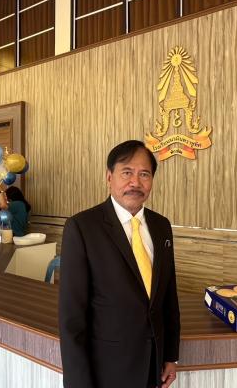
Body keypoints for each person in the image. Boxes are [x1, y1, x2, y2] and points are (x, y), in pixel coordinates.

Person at [59, 140, 180, 388]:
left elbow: (168, 296)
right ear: (109, 177)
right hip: (107, 370)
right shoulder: (82, 227)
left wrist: (170, 355)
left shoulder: (161, 226)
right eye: (127, 172)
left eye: (144, 174)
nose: (135, 182)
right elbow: (72, 317)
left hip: (153, 367)